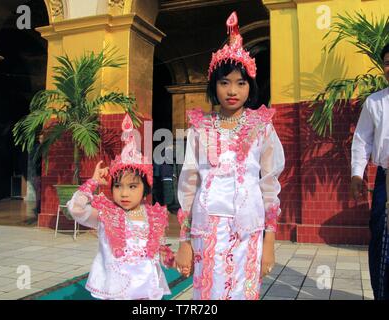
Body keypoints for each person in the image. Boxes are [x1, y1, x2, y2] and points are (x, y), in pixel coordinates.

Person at [174, 11, 285, 300]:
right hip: (206, 226)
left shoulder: (261, 126)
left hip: (248, 229)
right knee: (207, 294)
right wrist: (184, 240)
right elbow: (188, 183)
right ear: (213, 86)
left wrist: (269, 241)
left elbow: (270, 184)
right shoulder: (201, 128)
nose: (232, 91)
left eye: (240, 82)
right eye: (224, 83)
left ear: (251, 86)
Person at [66, 113, 174, 300]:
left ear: (145, 188)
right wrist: (92, 183)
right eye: (118, 186)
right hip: (115, 289)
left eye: (132, 186)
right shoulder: (106, 214)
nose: (124, 193)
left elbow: (158, 249)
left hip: (146, 289)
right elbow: (76, 209)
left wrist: (172, 257)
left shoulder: (153, 216)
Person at [350, 43, 389, 300]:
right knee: (381, 238)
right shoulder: (375, 102)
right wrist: (356, 173)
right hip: (386, 181)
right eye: (387, 62)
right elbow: (362, 140)